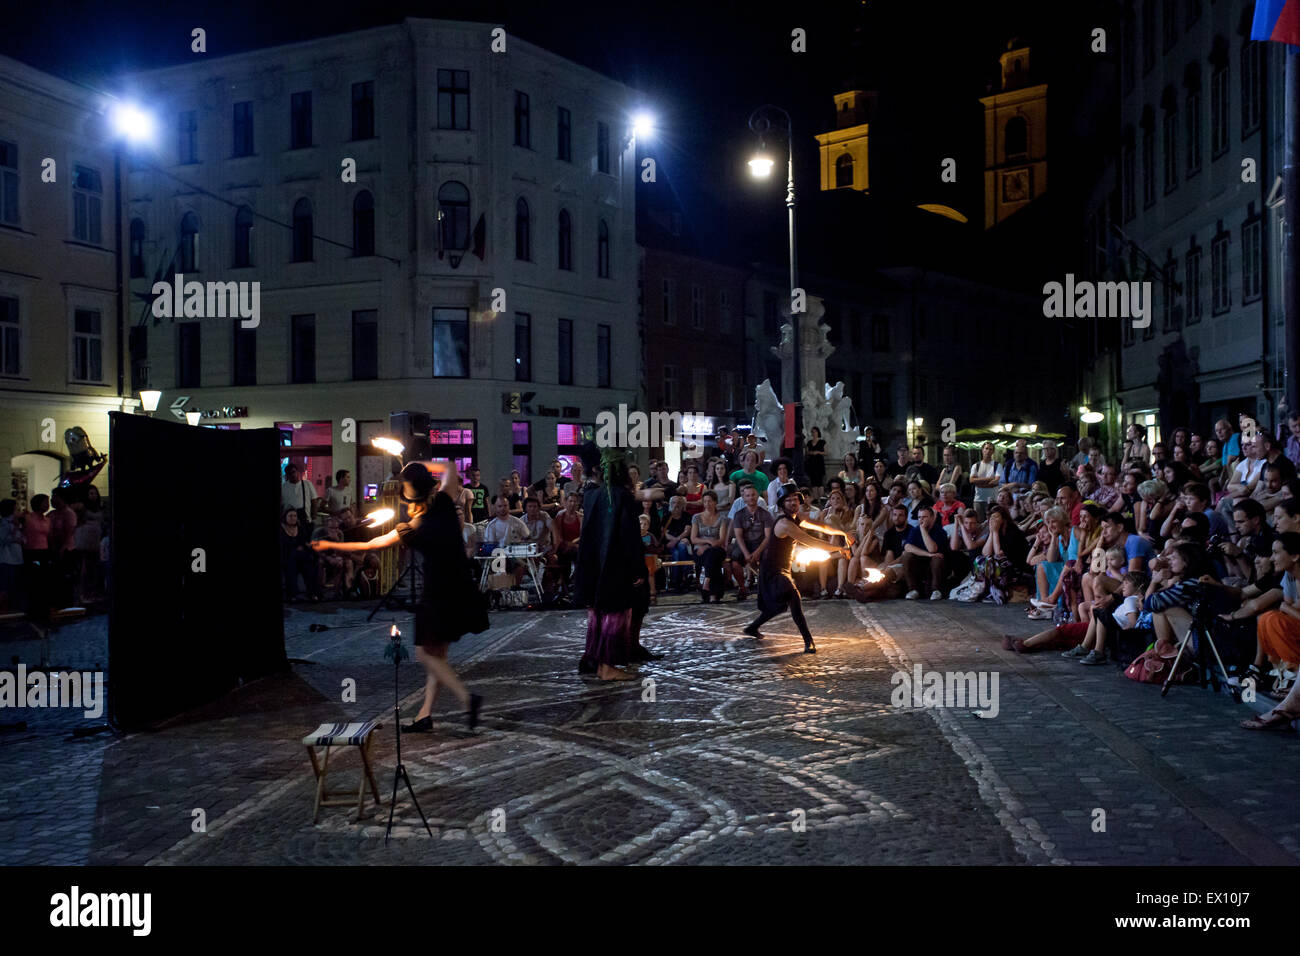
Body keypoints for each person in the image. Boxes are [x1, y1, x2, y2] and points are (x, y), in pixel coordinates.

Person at [314, 462, 486, 729]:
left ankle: (467, 699)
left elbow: (370, 544)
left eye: (406, 493)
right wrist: (418, 465)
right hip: (461, 586)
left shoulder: (413, 526)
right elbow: (450, 467)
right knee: (438, 656)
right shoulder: (444, 501)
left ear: (414, 496)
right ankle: (424, 715)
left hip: (437, 592)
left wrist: (329, 543)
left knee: (424, 655)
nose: (405, 502)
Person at [742, 486, 850, 653]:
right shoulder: (784, 523)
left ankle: (752, 628)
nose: (793, 502)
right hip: (772, 570)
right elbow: (810, 541)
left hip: (783, 568)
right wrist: (839, 549)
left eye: (795, 499)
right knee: (793, 595)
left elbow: (821, 527)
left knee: (779, 607)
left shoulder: (797, 517)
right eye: (789, 500)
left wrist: (842, 533)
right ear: (782, 504)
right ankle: (808, 641)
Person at [575, 449, 653, 680]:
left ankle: (593, 659)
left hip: (593, 567)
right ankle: (607, 666)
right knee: (615, 616)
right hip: (615, 567)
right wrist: (637, 567)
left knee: (596, 614)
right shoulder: (621, 496)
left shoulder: (590, 495)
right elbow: (629, 536)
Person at [730, 483, 774, 599]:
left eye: (753, 495)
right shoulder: (739, 515)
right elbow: (738, 536)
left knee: (767, 558)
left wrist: (757, 552)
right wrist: (745, 553)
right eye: (748, 495)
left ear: (757, 495)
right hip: (745, 543)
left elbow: (768, 536)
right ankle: (742, 588)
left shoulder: (765, 514)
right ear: (743, 498)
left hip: (760, 543)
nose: (751, 497)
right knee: (735, 562)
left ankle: (765, 587)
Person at [691, 490, 730, 603]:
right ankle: (713, 595)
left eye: (710, 501)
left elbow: (721, 539)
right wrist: (708, 542)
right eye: (705, 501)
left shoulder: (722, 518)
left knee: (713, 554)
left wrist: (706, 545)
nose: (707, 504)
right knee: (714, 562)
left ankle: (707, 582)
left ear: (715, 502)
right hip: (700, 551)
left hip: (717, 549)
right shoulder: (696, 517)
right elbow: (693, 539)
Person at [280, 507, 321, 602]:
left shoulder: (300, 528)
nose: (293, 518)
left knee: (308, 567)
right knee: (291, 565)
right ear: (285, 517)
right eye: (290, 516)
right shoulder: (281, 529)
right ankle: (292, 595)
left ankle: (313, 594)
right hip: (286, 556)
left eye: (294, 516)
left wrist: (308, 545)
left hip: (300, 558)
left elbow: (304, 542)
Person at [0, 499, 24, 612]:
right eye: (16, 509)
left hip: (17, 558)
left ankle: (14, 609)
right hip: (7, 559)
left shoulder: (17, 523)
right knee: (6, 586)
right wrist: (15, 530)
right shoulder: (4, 523)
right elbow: (5, 539)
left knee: (15, 586)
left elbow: (23, 539)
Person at [281, 464, 319, 530]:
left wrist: (314, 518)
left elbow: (314, 502)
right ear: (287, 475)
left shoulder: (307, 484)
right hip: (289, 520)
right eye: (289, 473)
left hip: (305, 519)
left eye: (293, 472)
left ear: (297, 472)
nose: (292, 475)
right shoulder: (284, 487)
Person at [970, 441, 1000, 517]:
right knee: (979, 523)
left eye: (990, 449)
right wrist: (989, 479)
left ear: (993, 451)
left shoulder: (997, 465)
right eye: (986, 448)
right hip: (978, 499)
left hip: (993, 499)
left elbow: (995, 482)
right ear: (982, 450)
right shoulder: (976, 466)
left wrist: (979, 483)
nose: (988, 451)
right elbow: (972, 480)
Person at [805, 427, 827, 495]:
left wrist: (818, 452)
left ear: (818, 432)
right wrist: (811, 453)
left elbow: (826, 453)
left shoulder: (822, 442)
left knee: (820, 481)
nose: (813, 433)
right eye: (812, 432)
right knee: (813, 482)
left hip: (819, 463)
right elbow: (806, 452)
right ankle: (816, 498)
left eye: (815, 431)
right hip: (811, 464)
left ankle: (821, 498)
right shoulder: (809, 442)